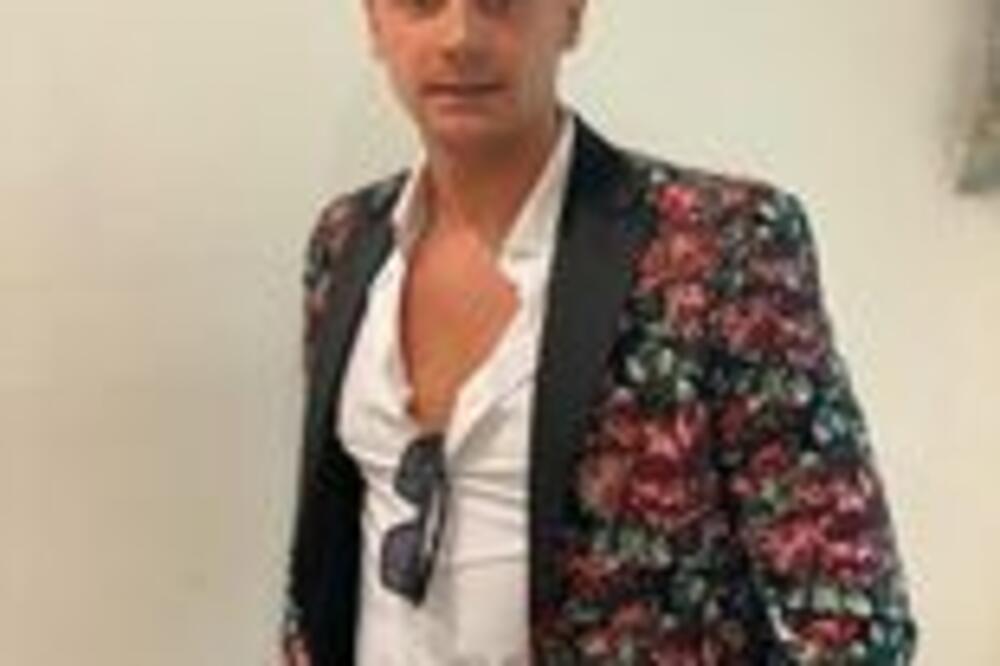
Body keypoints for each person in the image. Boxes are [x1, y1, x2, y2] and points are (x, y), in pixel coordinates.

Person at [280, 0, 918, 663]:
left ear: (572, 15)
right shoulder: (345, 241)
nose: (460, 37)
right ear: (374, 20)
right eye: (420, 2)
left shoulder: (720, 243)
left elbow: (852, 616)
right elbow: (325, 561)